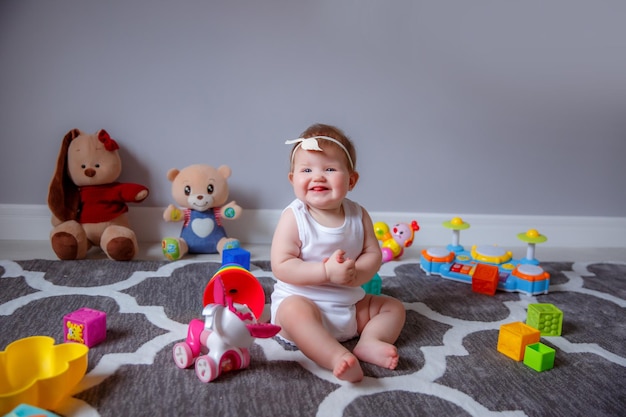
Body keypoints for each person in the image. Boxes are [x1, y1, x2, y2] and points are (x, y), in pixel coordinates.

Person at [270, 123, 406, 382]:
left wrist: (357, 275)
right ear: (293, 179)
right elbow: (282, 265)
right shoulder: (294, 217)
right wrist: (325, 272)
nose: (318, 176)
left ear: (351, 180)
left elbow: (372, 254)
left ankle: (370, 341)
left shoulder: (358, 214)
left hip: (350, 306)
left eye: (330, 169)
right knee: (293, 312)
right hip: (305, 302)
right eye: (307, 169)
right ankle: (335, 357)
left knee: (393, 308)